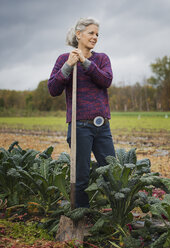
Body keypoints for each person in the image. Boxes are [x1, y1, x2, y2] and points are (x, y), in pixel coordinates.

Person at [48, 17, 115, 208]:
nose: (95, 37)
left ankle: (116, 213)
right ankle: (80, 217)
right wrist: (68, 66)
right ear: (79, 34)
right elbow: (53, 89)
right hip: (79, 126)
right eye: (91, 33)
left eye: (97, 34)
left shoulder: (101, 59)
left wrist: (85, 62)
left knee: (113, 171)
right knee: (81, 175)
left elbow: (106, 80)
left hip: (102, 127)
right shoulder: (64, 59)